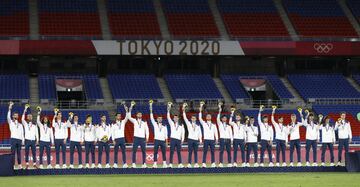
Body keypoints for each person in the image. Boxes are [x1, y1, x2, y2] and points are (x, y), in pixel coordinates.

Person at [127, 101, 149, 168]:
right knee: (134, 151)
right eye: (138, 114)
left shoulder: (144, 122)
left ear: (141, 115)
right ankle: (133, 164)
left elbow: (147, 130)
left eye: (140, 114)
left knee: (144, 151)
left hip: (142, 138)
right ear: (136, 115)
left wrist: (147, 137)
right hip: (136, 138)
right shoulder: (134, 121)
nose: (139, 115)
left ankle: (144, 164)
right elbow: (128, 117)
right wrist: (131, 107)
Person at [199, 102, 218, 168]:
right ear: (206, 117)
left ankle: (213, 163)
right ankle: (203, 163)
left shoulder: (213, 124)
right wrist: (200, 110)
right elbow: (199, 118)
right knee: (205, 152)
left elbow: (216, 132)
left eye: (209, 116)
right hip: (206, 139)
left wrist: (217, 138)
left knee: (213, 152)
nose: (208, 117)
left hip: (212, 140)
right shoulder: (204, 123)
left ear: (211, 117)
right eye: (207, 116)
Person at [182, 103, 202, 168]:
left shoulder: (198, 126)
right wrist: (183, 110)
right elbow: (184, 118)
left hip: (196, 140)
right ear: (191, 119)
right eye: (192, 118)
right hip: (190, 139)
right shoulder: (189, 124)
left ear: (196, 119)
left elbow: (200, 133)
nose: (193, 119)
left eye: (194, 118)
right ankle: (189, 163)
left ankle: (196, 163)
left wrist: (200, 140)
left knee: (196, 152)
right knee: (190, 152)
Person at [150, 101, 168, 168]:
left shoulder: (164, 126)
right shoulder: (155, 124)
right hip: (156, 140)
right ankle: (155, 164)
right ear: (157, 119)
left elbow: (166, 134)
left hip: (163, 141)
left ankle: (164, 163)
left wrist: (166, 142)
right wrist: (151, 110)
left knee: (164, 152)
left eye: (161, 118)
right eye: (159, 118)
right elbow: (151, 118)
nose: (160, 119)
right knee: (155, 152)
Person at [167, 102, 185, 168]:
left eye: (176, 118)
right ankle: (170, 164)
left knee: (178, 152)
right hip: (172, 139)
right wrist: (168, 109)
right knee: (171, 152)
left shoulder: (181, 126)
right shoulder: (171, 124)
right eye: (174, 118)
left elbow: (183, 133)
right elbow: (168, 117)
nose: (175, 119)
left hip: (178, 140)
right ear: (173, 119)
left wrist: (182, 139)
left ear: (178, 119)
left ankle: (180, 163)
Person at [8, 102, 24, 169]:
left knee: (19, 153)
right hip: (13, 139)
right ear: (13, 116)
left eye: (17, 115)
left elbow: (22, 132)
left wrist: (23, 140)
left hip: (19, 139)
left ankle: (20, 165)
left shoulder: (20, 124)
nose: (16, 116)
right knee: (13, 153)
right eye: (15, 115)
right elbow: (8, 116)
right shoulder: (10, 122)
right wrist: (10, 108)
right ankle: (13, 165)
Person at [22, 104, 39, 169]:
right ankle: (27, 164)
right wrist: (25, 110)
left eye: (30, 116)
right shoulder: (25, 124)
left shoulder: (34, 125)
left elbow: (36, 132)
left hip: (33, 140)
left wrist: (37, 139)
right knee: (26, 153)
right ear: (27, 117)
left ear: (32, 117)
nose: (29, 117)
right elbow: (22, 119)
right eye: (28, 116)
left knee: (34, 153)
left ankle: (34, 164)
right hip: (27, 140)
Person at [217, 103, 233, 167]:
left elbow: (231, 133)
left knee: (229, 151)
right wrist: (219, 111)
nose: (224, 119)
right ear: (222, 119)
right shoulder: (220, 124)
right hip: (222, 139)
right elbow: (217, 118)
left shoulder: (228, 126)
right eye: (223, 118)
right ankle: (220, 163)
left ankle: (229, 163)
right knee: (221, 151)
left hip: (228, 140)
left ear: (226, 119)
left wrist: (231, 139)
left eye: (225, 118)